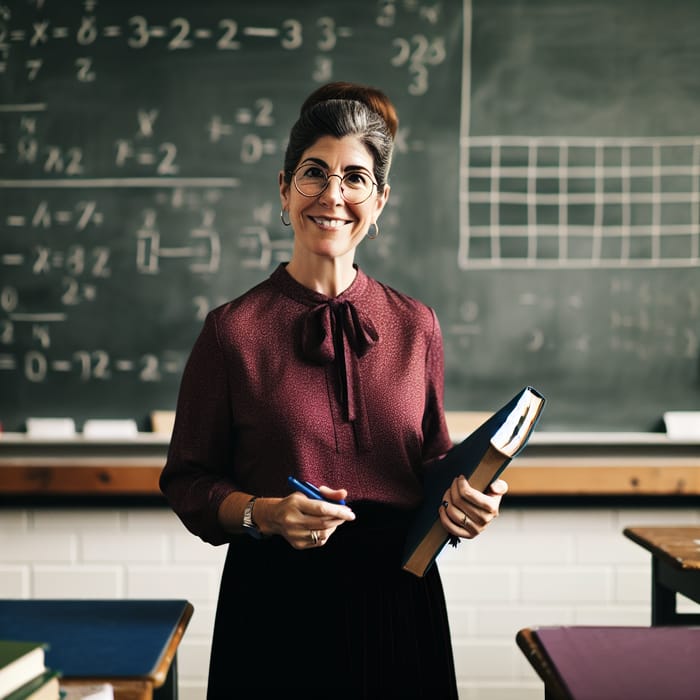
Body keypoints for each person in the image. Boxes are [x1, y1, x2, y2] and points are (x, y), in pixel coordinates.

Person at [159, 81, 508, 699]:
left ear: (380, 203)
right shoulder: (231, 332)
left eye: (355, 178)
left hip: (401, 602)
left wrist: (463, 503)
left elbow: (430, 466)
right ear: (284, 190)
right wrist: (263, 513)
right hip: (273, 607)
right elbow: (188, 482)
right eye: (314, 173)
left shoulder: (416, 324)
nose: (333, 195)